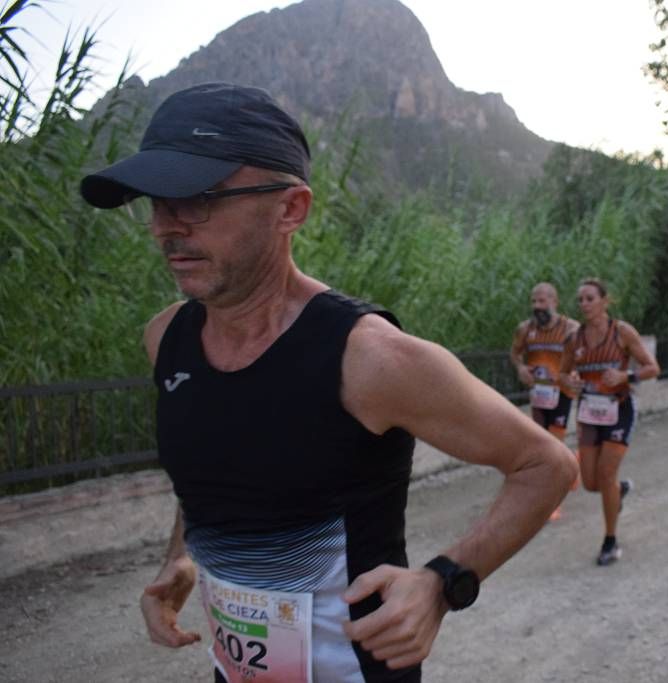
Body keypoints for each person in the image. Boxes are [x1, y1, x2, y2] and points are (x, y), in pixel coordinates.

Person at [79, 83, 577, 683]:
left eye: (198, 198)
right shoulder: (167, 340)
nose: (167, 226)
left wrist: (443, 583)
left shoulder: (369, 358)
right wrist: (179, 558)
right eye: (156, 201)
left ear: (290, 208)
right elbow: (217, 467)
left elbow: (545, 465)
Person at [559, 278, 660, 566]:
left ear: (605, 301)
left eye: (590, 298)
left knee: (606, 474)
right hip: (589, 414)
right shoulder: (574, 339)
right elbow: (562, 375)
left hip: (620, 409)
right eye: (580, 300)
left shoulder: (622, 332)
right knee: (591, 482)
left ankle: (610, 541)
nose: (584, 304)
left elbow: (653, 368)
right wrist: (571, 383)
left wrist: (625, 377)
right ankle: (619, 490)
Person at [510, 282, 580, 521]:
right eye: (533, 301)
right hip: (539, 395)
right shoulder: (525, 329)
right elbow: (515, 353)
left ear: (555, 302)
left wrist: (573, 375)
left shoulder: (570, 328)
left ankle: (552, 502)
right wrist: (520, 368)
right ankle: (573, 466)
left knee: (552, 446)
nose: (537, 306)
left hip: (561, 394)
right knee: (543, 445)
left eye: (542, 301)